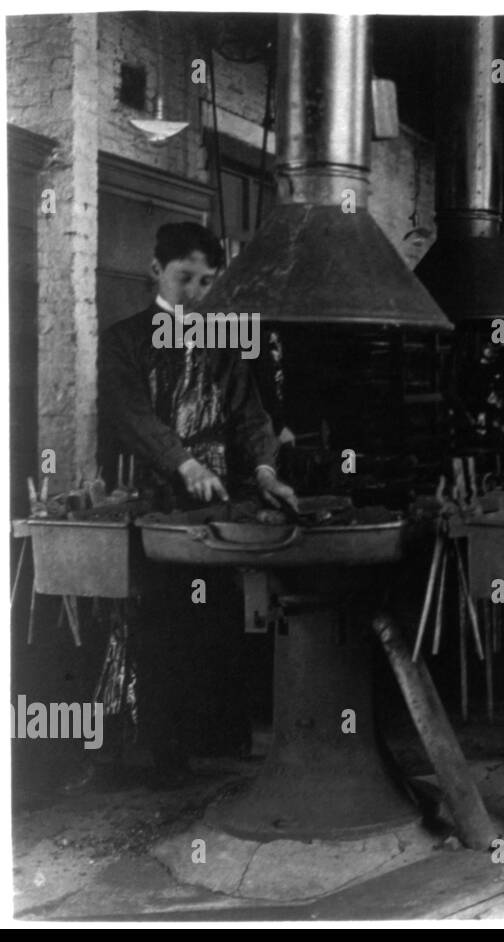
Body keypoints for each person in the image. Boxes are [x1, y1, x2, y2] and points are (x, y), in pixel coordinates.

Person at [97, 221, 296, 785]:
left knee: (215, 620)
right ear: (155, 271)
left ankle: (218, 736)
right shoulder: (123, 341)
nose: (196, 293)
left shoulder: (222, 340)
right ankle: (167, 756)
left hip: (214, 507)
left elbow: (249, 415)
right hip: (154, 504)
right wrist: (183, 464)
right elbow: (130, 417)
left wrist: (263, 470)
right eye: (186, 277)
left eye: (208, 282)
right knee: (160, 627)